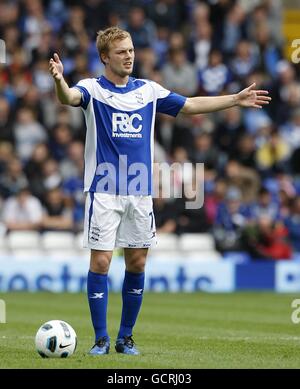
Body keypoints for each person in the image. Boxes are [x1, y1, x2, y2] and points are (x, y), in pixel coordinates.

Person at [49, 26, 271, 356]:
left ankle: (125, 338)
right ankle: (100, 339)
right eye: (122, 51)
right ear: (105, 57)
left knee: (137, 263)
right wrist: (58, 80)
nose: (129, 56)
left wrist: (235, 100)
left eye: (131, 50)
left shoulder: (148, 91)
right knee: (101, 262)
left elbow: (191, 105)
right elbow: (68, 98)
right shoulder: (92, 89)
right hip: (105, 190)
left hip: (140, 192)